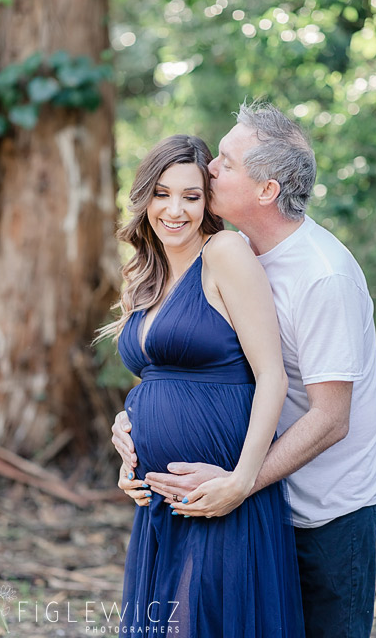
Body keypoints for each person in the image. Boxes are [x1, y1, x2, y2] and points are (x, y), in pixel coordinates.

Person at [113, 102, 376, 638]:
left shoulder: (322, 277)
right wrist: (132, 424)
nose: (211, 168)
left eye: (226, 162)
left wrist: (241, 483)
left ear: (266, 190)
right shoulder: (228, 253)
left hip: (322, 509)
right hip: (234, 493)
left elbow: (332, 418)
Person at [99, 135, 304, 636]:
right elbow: (155, 379)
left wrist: (241, 481)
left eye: (191, 196)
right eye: (162, 193)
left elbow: (271, 377)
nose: (174, 210)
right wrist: (126, 431)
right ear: (145, 195)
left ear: (207, 202)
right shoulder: (142, 277)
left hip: (221, 486)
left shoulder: (225, 252)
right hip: (159, 498)